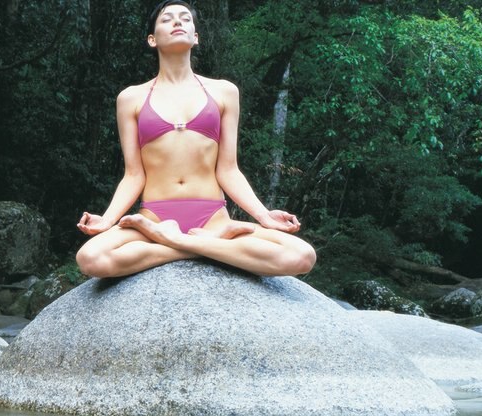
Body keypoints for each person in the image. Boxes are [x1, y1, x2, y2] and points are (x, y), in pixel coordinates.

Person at [75, 0, 316, 278]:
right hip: (154, 217)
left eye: (185, 18)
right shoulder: (131, 98)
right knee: (90, 259)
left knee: (301, 256)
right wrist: (107, 219)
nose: (177, 22)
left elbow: (228, 169)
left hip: (213, 217)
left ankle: (176, 241)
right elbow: (133, 174)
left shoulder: (224, 92)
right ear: (152, 39)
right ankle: (208, 245)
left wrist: (263, 215)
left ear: (196, 37)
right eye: (167, 19)